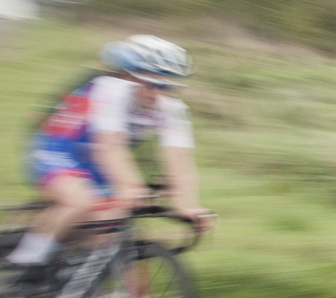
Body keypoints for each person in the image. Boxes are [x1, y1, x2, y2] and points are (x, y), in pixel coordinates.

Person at [13, 34, 215, 285]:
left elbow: (180, 160)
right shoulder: (109, 91)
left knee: (108, 231)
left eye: (166, 86)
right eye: (149, 83)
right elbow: (109, 147)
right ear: (127, 76)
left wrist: (188, 204)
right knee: (79, 201)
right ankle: (27, 264)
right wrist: (131, 187)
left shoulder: (172, 109)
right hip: (60, 149)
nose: (157, 93)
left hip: (96, 163)